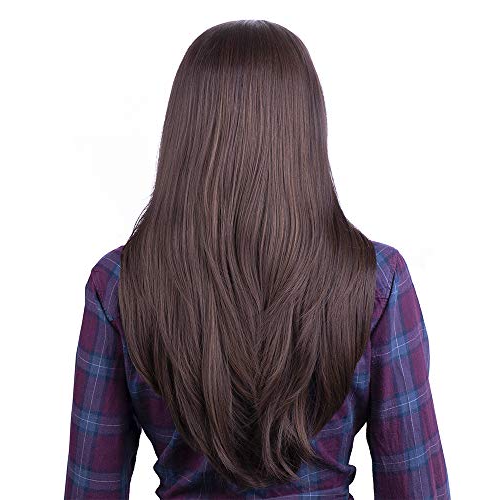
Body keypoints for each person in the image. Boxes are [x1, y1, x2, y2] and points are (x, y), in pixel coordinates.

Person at [64, 19, 450, 499]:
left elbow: (91, 487)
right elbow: (416, 485)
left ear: (184, 131)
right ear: (305, 130)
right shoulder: (375, 280)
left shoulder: (120, 285)